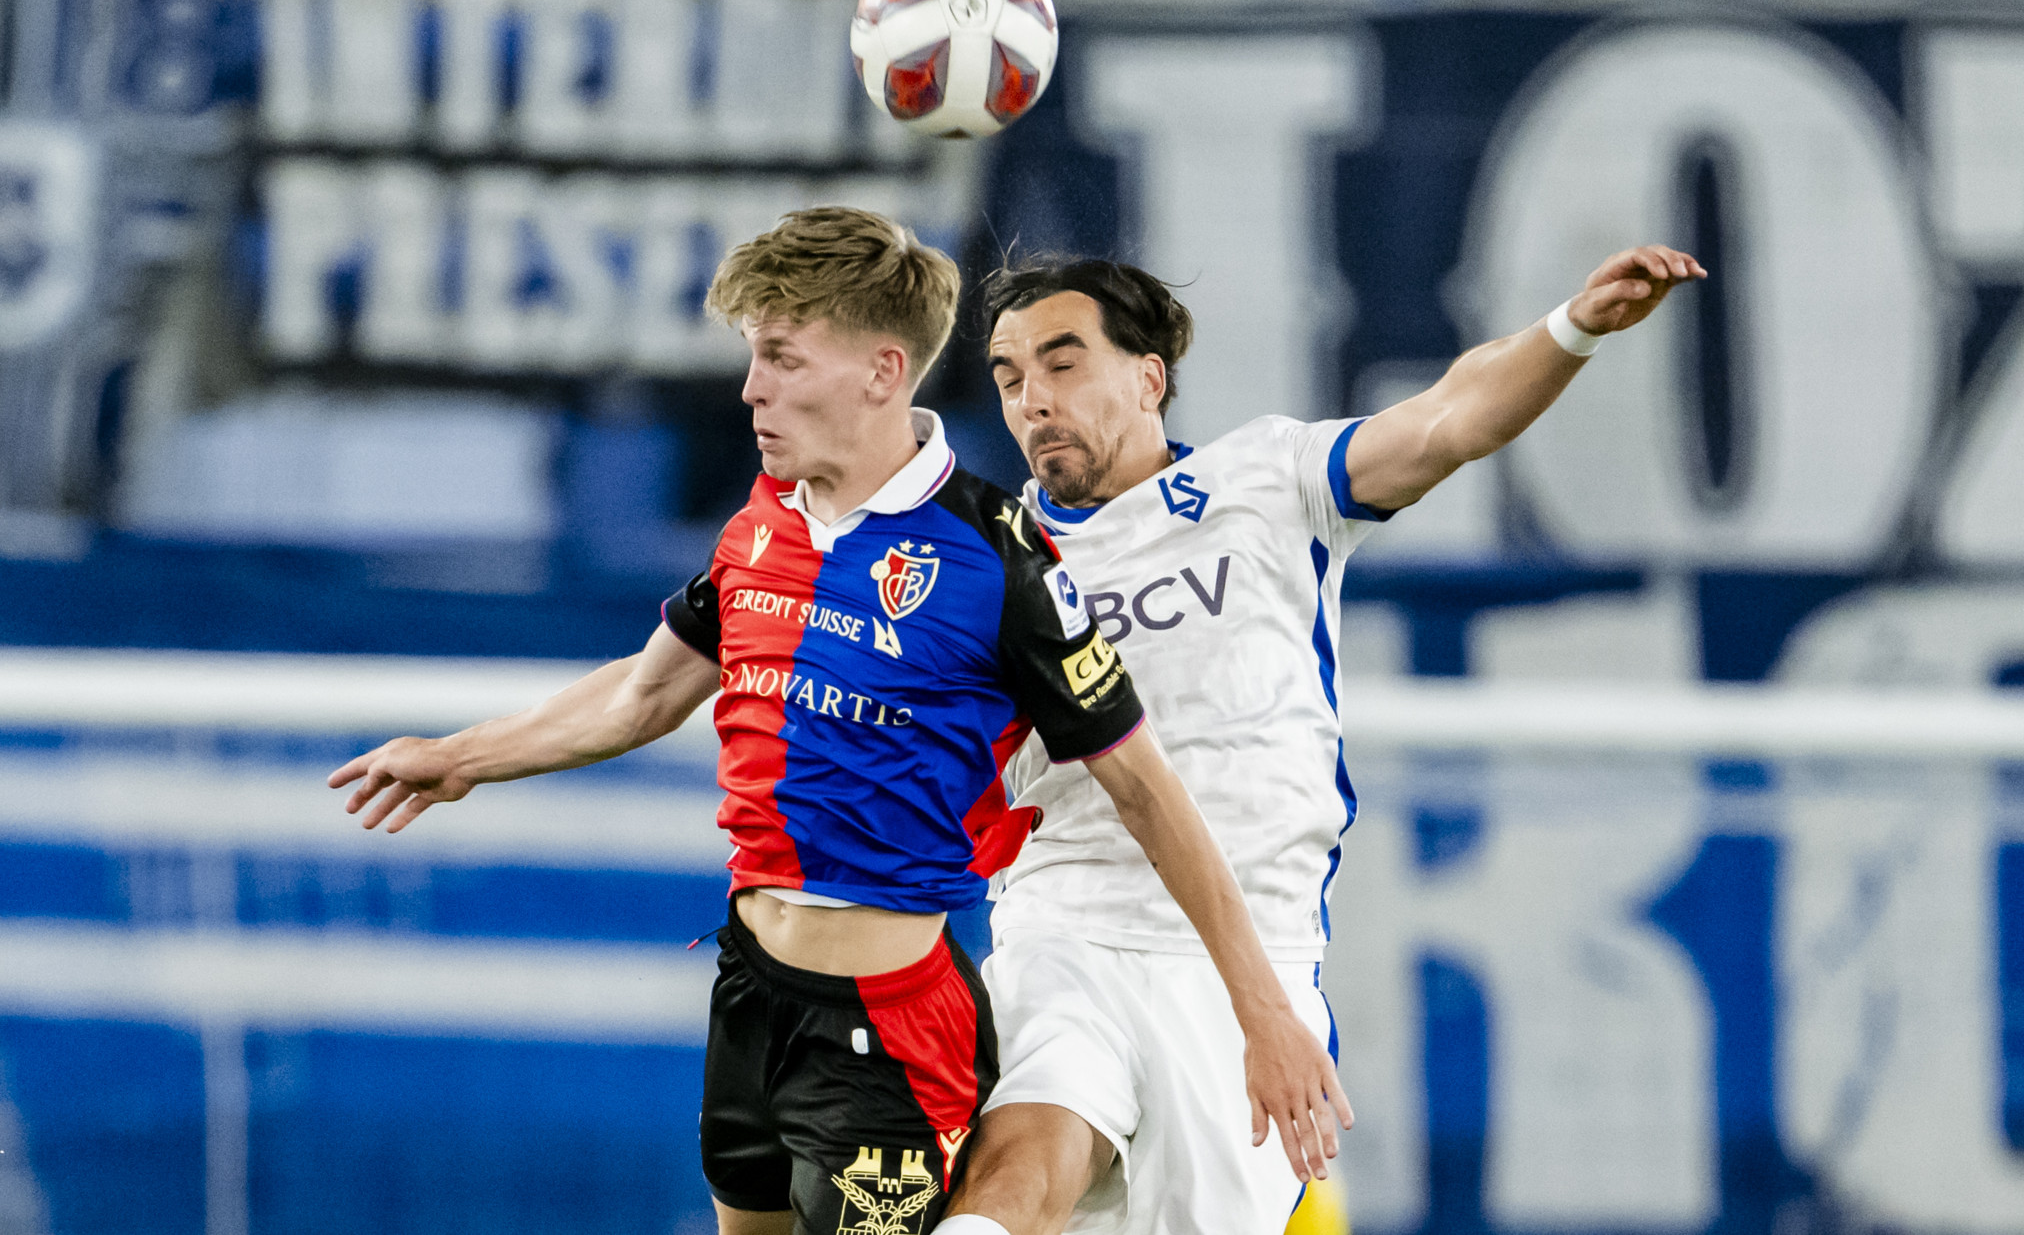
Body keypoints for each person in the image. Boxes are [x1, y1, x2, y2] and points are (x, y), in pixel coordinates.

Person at [327, 206, 1346, 1235]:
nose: (750, 388)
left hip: (887, 1030)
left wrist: (1259, 1008)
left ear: (880, 371)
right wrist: (461, 757)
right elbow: (643, 694)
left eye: (780, 357)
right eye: (751, 356)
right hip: (749, 991)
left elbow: (1146, 789)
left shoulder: (998, 557)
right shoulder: (759, 526)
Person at [942, 245, 1704, 1235]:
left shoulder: (1268, 478)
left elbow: (1452, 416)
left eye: (1062, 361)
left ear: (1148, 377)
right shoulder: (982, 562)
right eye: (1008, 378)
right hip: (1064, 926)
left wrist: (1574, 328)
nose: (1033, 400)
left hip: (1252, 959)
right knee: (1018, 1171)